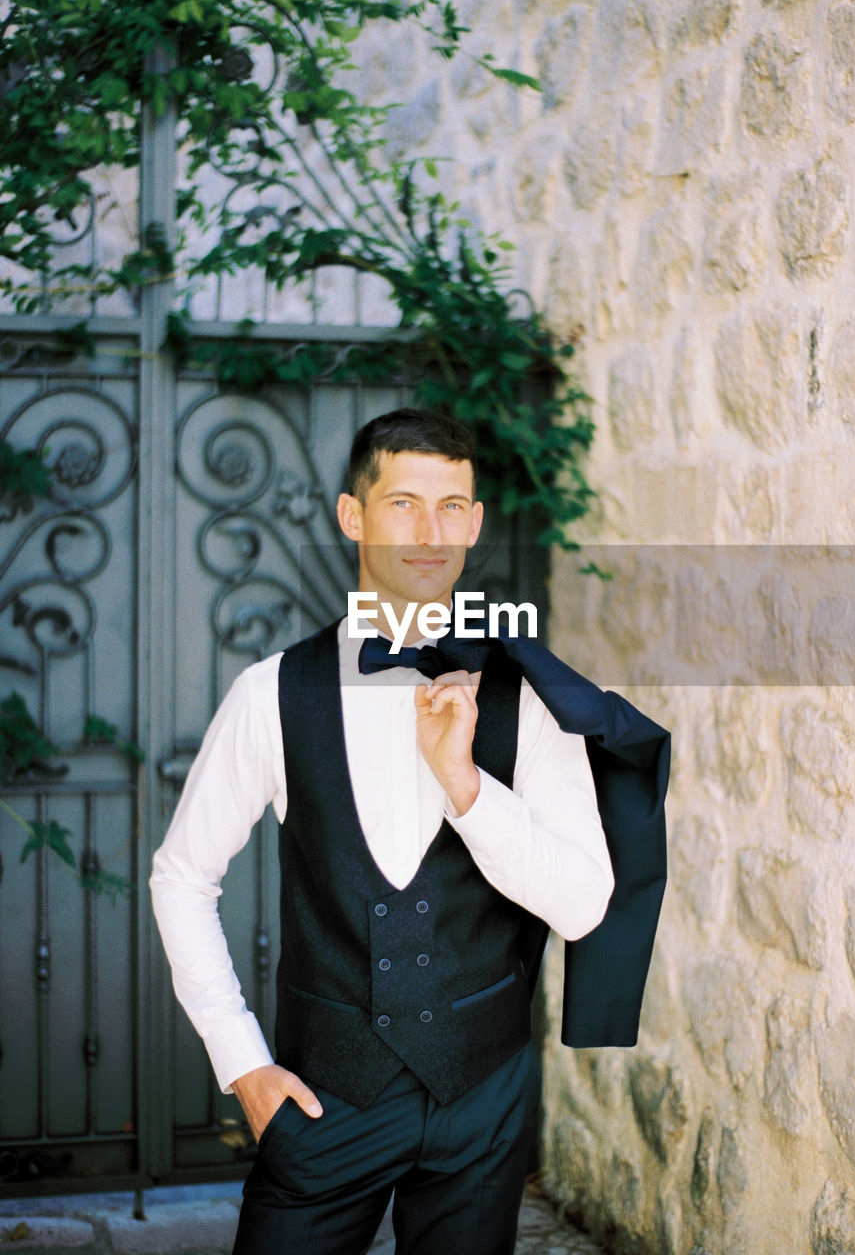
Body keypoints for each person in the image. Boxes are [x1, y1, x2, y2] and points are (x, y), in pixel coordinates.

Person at [150, 408, 669, 1255]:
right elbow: (181, 875)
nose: (431, 532)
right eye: (403, 504)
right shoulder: (270, 694)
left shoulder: (529, 696)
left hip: (484, 1105)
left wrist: (467, 787)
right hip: (325, 1104)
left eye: (452, 507)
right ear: (354, 517)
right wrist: (240, 1060)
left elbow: (583, 905)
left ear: (475, 522)